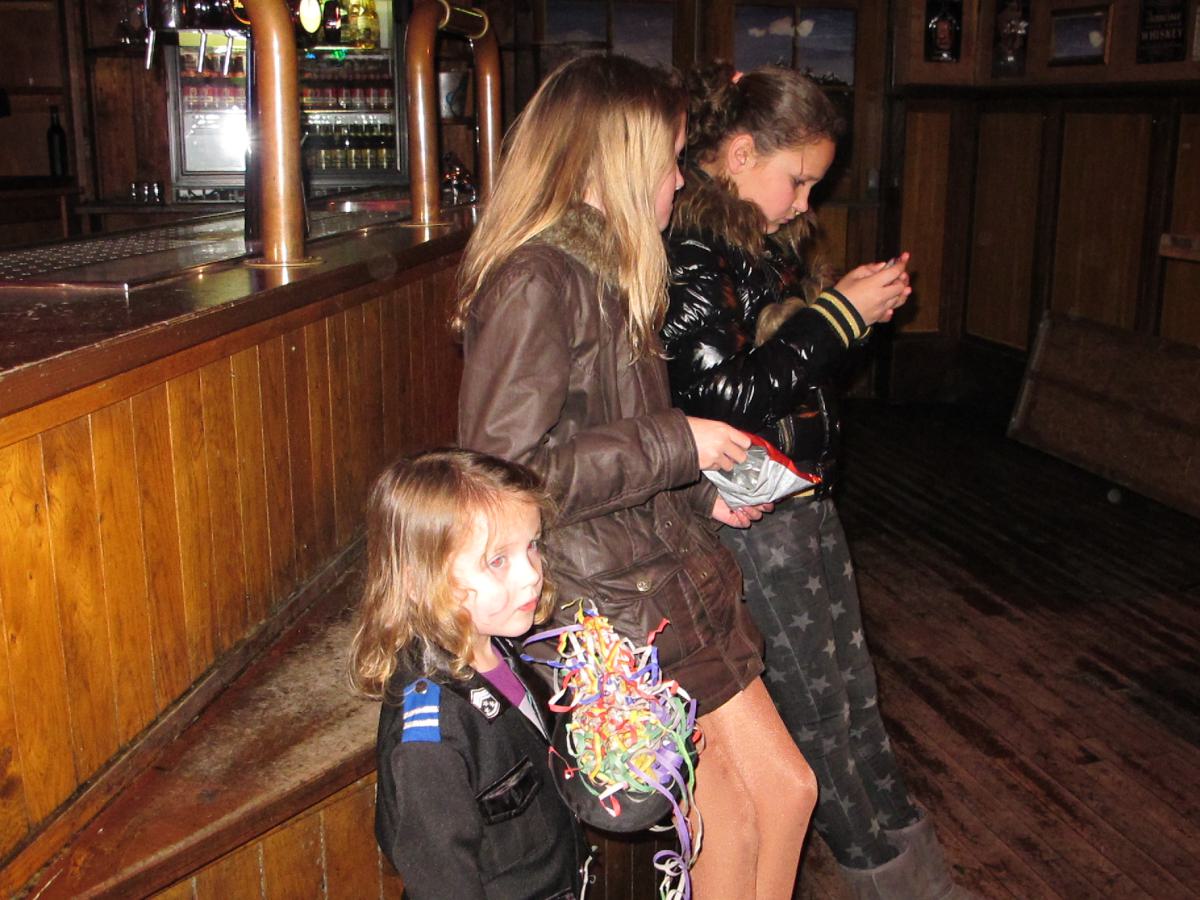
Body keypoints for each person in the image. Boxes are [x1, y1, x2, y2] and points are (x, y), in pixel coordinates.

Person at [453, 54, 817, 899]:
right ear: (615, 162)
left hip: (654, 573)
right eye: (670, 159)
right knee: (754, 810)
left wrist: (703, 489)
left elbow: (614, 437)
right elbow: (504, 478)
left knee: (770, 800)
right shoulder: (537, 279)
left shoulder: (611, 270)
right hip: (608, 601)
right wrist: (677, 446)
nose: (679, 180)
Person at [662, 62, 970, 899]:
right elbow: (718, 399)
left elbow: (783, 381)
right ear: (738, 154)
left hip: (799, 500)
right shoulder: (695, 253)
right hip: (754, 519)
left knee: (855, 702)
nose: (805, 204)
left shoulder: (755, 248)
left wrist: (851, 318)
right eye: (797, 181)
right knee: (823, 724)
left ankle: (919, 879)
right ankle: (895, 886)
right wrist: (837, 317)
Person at [350, 448, 590, 900]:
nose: (531, 575)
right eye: (498, 560)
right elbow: (442, 882)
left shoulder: (496, 645)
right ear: (422, 581)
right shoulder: (430, 740)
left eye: (532, 545)